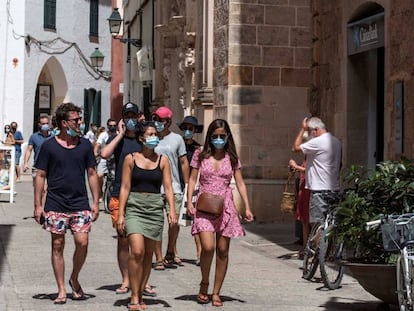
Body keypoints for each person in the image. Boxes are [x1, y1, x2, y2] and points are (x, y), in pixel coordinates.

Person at [33, 102, 99, 305]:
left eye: (79, 119)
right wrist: (38, 205)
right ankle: (61, 288)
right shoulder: (49, 146)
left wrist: (96, 201)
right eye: (76, 119)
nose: (80, 122)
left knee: (82, 242)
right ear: (64, 123)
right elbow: (40, 175)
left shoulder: (85, 145)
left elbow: (92, 173)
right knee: (58, 244)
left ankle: (74, 277)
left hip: (80, 203)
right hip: (55, 203)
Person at [187, 119, 254, 307]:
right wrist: (188, 202)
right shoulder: (200, 154)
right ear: (209, 136)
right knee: (207, 247)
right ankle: (204, 282)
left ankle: (216, 291)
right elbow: (192, 179)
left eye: (222, 136)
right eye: (215, 136)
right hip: (204, 205)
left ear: (227, 137)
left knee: (223, 250)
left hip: (226, 206)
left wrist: (247, 207)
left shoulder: (231, 157)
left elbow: (240, 182)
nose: (218, 139)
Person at [117, 121, 177, 310]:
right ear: (142, 138)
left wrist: (172, 210)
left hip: (154, 208)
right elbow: (125, 187)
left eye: (155, 134)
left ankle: (140, 293)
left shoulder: (163, 160)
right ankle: (134, 296)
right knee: (137, 251)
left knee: (148, 255)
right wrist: (120, 214)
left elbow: (168, 187)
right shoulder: (131, 159)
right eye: (150, 134)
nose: (154, 137)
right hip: (135, 207)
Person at [100, 102, 148, 295]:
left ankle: (143, 280)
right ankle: (126, 279)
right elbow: (104, 154)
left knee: (142, 242)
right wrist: (119, 134)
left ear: (138, 118)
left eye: (133, 116)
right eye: (126, 116)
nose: (130, 120)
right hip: (119, 193)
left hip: (141, 193)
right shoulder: (116, 139)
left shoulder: (143, 139)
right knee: (123, 240)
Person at [152, 106, 190, 270]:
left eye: (160, 120)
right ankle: (159, 257)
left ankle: (170, 249)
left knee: (173, 222)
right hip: (154, 187)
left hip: (173, 186)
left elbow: (183, 162)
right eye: (155, 119)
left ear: (168, 122)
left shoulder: (177, 139)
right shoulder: (150, 137)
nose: (157, 123)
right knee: (156, 224)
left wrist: (188, 185)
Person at [291, 117, 342, 226]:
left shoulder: (317, 142)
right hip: (334, 189)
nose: (310, 135)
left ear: (316, 129)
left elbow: (295, 148)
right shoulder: (336, 142)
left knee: (317, 226)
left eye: (310, 131)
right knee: (332, 226)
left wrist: (302, 129)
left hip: (319, 190)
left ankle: (318, 243)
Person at [177, 115, 203, 265]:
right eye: (185, 128)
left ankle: (200, 253)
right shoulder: (177, 145)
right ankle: (172, 251)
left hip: (192, 186)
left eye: (190, 128)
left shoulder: (198, 149)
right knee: (174, 221)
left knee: (195, 221)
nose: (187, 131)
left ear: (194, 130)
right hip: (177, 184)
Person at [23, 115, 53, 184]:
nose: (45, 125)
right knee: (38, 191)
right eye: (43, 124)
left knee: (46, 190)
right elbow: (29, 150)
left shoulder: (53, 137)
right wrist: (25, 163)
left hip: (50, 167)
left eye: (47, 123)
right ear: (39, 124)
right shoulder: (34, 137)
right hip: (37, 167)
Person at [94, 118, 117, 202]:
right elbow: (97, 144)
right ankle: (100, 192)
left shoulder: (118, 134)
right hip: (104, 157)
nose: (112, 127)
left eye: (114, 125)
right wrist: (95, 152)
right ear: (107, 126)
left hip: (115, 158)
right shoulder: (103, 135)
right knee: (99, 175)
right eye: (110, 126)